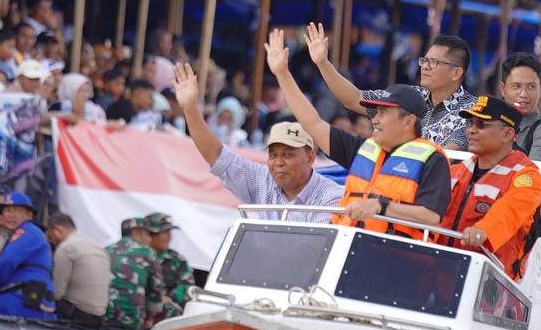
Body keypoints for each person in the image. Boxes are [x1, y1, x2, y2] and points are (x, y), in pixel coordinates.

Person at [266, 29, 451, 239]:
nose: (375, 119)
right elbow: (313, 124)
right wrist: (282, 73)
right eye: (376, 112)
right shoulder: (363, 149)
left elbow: (430, 217)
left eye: (384, 113)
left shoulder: (433, 160)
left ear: (408, 121)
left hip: (397, 259)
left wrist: (381, 207)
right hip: (346, 248)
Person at [173, 61, 343, 220]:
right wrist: (189, 108)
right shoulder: (263, 180)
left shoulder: (331, 197)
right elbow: (215, 155)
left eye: (288, 155)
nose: (279, 162)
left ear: (310, 157)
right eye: (273, 155)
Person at [303, 23, 476, 150]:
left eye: (435, 62)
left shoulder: (473, 111)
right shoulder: (411, 96)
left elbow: (451, 153)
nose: (425, 66)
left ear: (456, 73)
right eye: (425, 60)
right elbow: (354, 99)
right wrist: (323, 63)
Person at [440, 97, 541, 278]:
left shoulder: (527, 177)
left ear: (507, 134)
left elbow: (509, 211)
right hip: (438, 271)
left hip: (490, 284)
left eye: (481, 125)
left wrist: (483, 231)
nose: (471, 130)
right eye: (470, 123)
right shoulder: (456, 170)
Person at [0, 192, 55, 319]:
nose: (10, 215)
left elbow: (6, 261)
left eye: (16, 210)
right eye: (7, 210)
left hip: (23, 302)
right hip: (25, 300)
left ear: (29, 215)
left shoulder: (28, 231)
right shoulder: (27, 233)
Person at [498, 52, 541, 169]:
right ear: (503, 89)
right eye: (516, 86)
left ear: (540, 89)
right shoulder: (489, 125)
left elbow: (532, 177)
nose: (523, 94)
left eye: (531, 87)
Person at [46, 212, 109, 327]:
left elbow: (57, 292)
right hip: (99, 316)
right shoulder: (98, 248)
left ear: (57, 229)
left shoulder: (66, 248)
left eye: (50, 236)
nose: (51, 241)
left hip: (77, 315)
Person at [103, 217, 165, 330]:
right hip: (131, 320)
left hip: (104, 316)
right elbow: (156, 290)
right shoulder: (147, 253)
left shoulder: (106, 250)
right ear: (136, 233)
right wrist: (149, 320)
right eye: (148, 234)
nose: (150, 239)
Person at [143, 213, 195, 321]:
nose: (169, 237)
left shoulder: (177, 260)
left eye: (169, 232)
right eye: (164, 232)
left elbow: (187, 288)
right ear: (150, 234)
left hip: (165, 309)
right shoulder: (137, 256)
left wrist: (169, 297)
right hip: (139, 304)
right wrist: (155, 299)